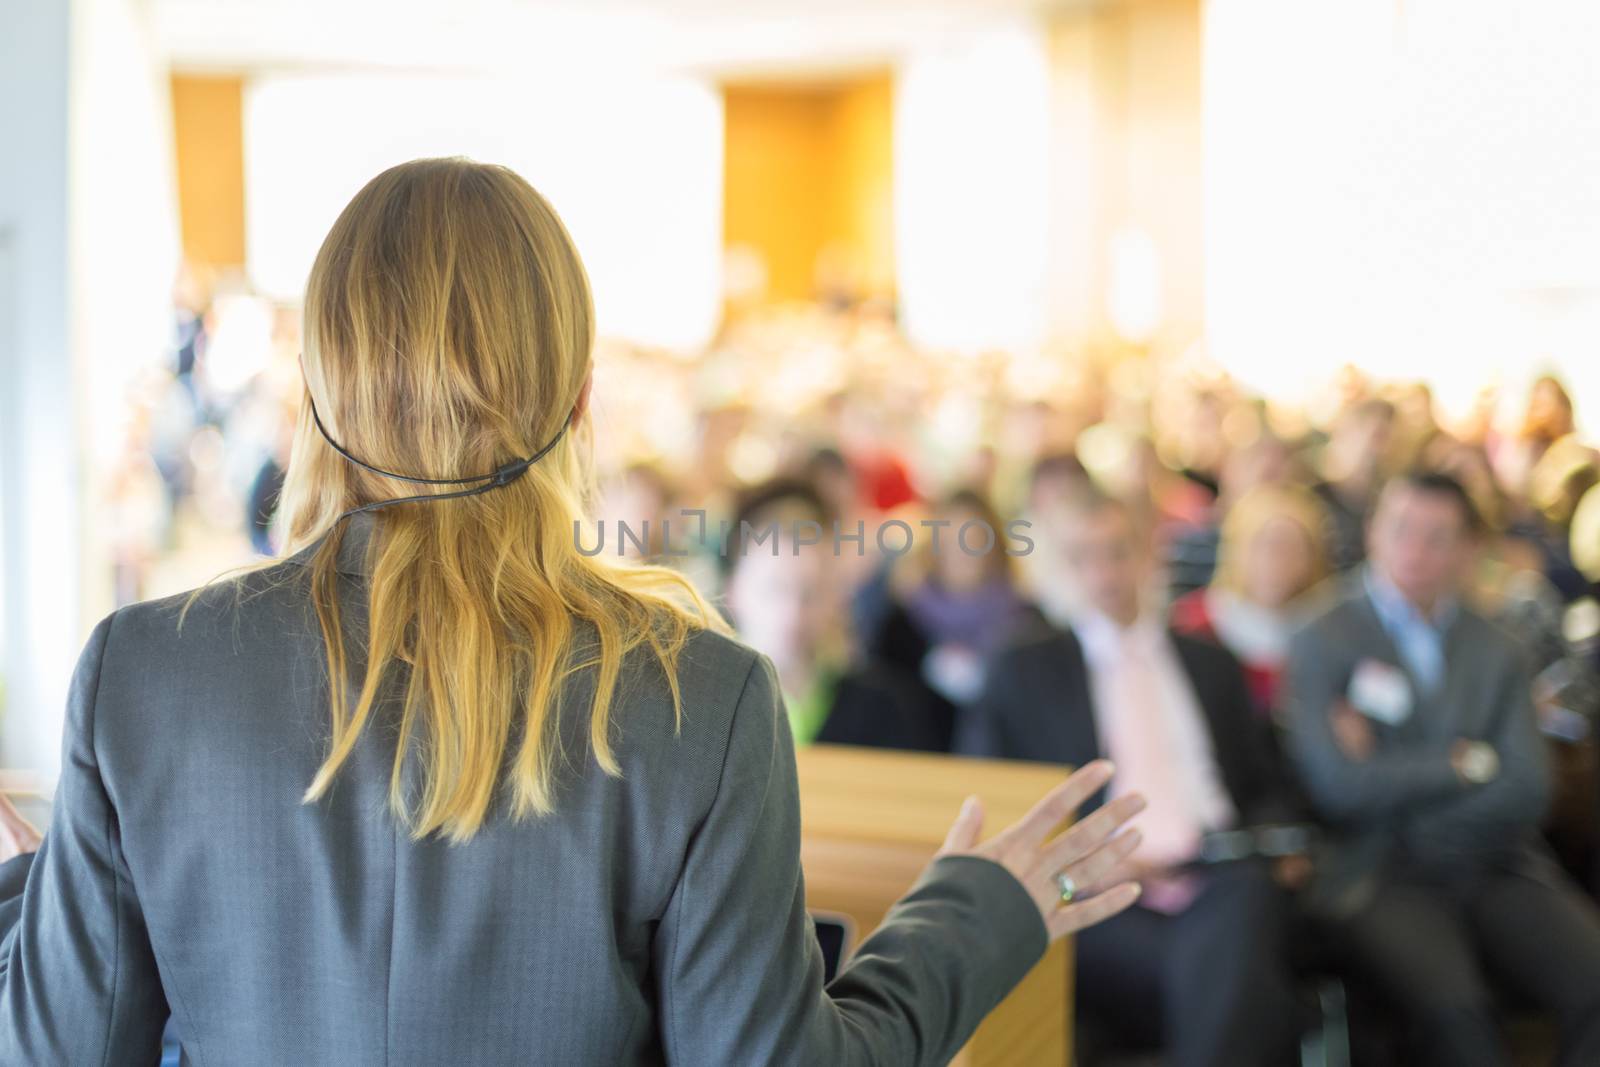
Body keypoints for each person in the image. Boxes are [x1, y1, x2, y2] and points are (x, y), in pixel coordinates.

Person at [0, 158, 1147, 1064]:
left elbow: (54, 1045)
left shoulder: (140, 675)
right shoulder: (700, 693)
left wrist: (46, 894)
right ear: (582, 399)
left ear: (315, 390)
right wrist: (974, 915)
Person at [957, 487, 1304, 1067]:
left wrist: (1276, 843)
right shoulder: (1023, 670)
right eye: (1083, 557)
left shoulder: (1210, 664)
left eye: (1118, 552)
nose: (1104, 573)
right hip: (1096, 892)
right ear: (1060, 568)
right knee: (1236, 972)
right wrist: (1082, 861)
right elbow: (991, 802)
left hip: (1219, 875)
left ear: (1148, 556)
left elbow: (1267, 786)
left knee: (1241, 909)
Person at [1283, 470, 1600, 1066]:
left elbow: (1529, 787)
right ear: (1373, 529)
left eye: (1438, 537)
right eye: (1402, 529)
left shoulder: (1496, 646)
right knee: (1461, 1020)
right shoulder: (1321, 635)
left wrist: (1396, 777)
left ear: (1466, 549)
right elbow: (1338, 788)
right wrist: (1462, 765)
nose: (1416, 551)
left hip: (1497, 861)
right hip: (1379, 869)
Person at [720, 477, 953, 752]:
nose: (793, 612)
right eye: (773, 589)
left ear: (836, 597)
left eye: (811, 592)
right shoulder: (703, 707)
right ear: (733, 592)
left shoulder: (884, 708)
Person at [1171, 483, 1331, 723]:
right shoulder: (1194, 622)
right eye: (1264, 545)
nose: (1277, 561)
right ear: (1237, 550)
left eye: (1292, 548)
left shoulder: (1326, 626)